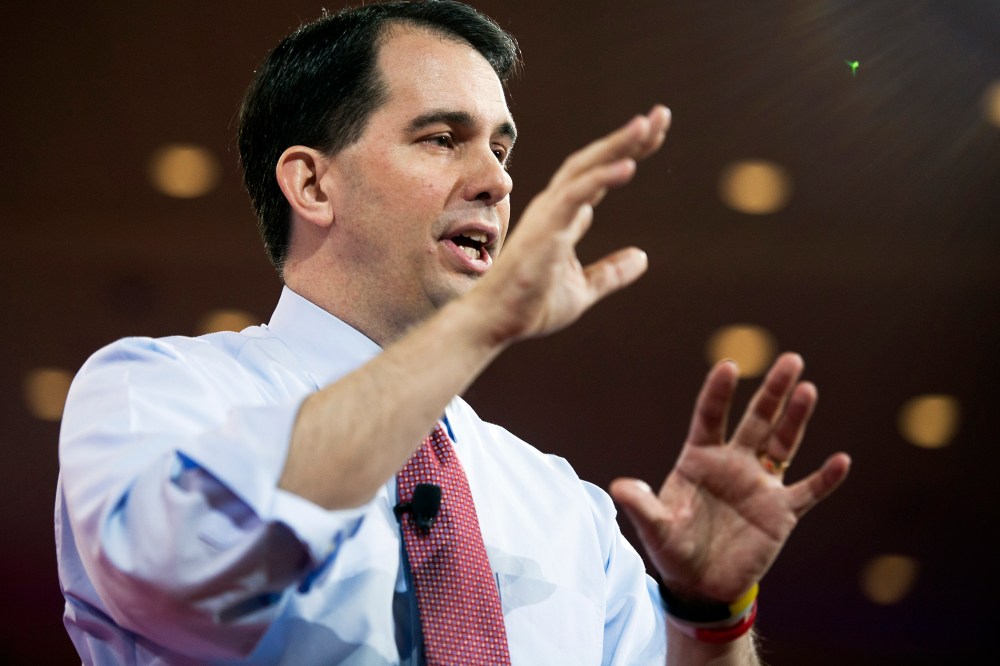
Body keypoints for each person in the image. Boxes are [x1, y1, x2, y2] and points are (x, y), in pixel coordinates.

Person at [55, 1, 851, 664]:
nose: (498, 180)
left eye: (502, 149)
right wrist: (480, 324)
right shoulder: (157, 391)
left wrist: (709, 618)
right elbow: (182, 571)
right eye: (442, 138)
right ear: (312, 183)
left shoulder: (563, 506)